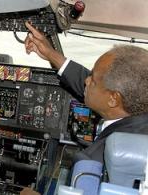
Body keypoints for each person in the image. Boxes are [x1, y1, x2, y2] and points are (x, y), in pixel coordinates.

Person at [20, 22, 148, 194]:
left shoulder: (96, 160)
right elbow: (89, 84)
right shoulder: (136, 102)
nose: (87, 81)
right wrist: (51, 54)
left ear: (113, 99)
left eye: (93, 79)